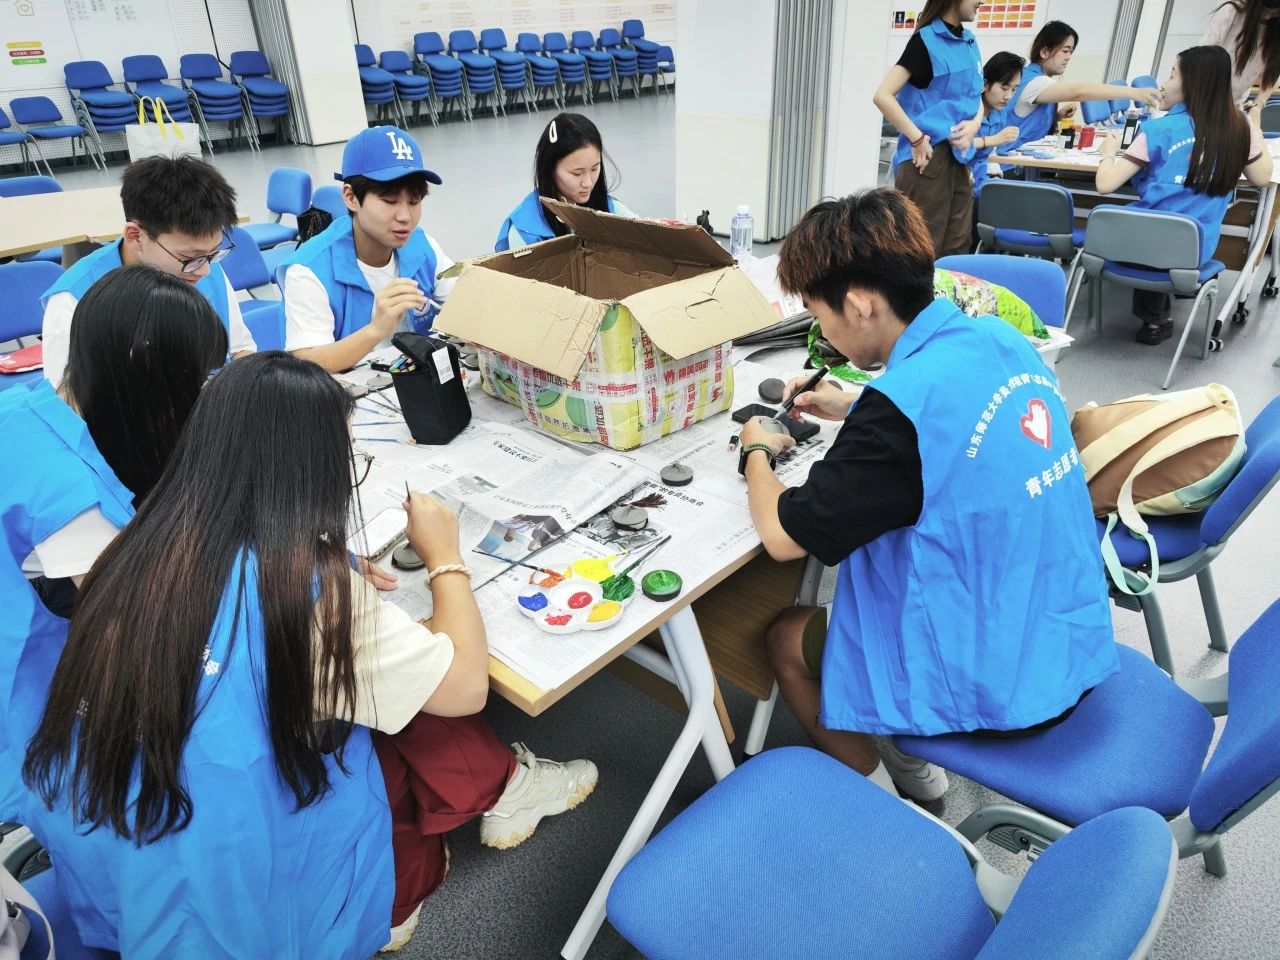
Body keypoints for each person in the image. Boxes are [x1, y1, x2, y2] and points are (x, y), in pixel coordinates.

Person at [18, 353, 598, 957]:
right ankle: (454, 832)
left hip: (116, 830)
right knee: (396, 714)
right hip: (233, 875)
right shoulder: (308, 596)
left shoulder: (137, 540)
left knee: (374, 702)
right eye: (348, 459)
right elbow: (464, 690)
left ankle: (448, 840)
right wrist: (444, 557)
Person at [736, 189, 1118, 800]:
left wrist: (756, 449)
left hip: (998, 681)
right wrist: (856, 403)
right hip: (1065, 633)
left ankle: (888, 805)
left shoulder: (895, 417)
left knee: (785, 638)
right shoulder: (1000, 339)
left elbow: (784, 537)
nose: (821, 332)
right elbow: (955, 416)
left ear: (859, 305)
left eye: (818, 314)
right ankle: (918, 775)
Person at [0, 266, 227, 821]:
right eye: (191, 380)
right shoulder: (70, 498)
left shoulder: (33, 404)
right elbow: (142, 628)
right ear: (143, 374)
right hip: (29, 679)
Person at [1095, 45, 1273, 344]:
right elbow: (1262, 177)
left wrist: (1108, 153)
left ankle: (1154, 320)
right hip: (1196, 250)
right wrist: (1253, 124)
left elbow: (1104, 185)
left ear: (1193, 83)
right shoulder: (1238, 128)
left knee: (1148, 220)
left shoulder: (1156, 129)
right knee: (1174, 229)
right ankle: (1183, 293)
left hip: (1138, 247)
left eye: (1172, 75)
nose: (1163, 84)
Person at [39, 156, 255, 387]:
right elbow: (65, 398)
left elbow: (240, 350)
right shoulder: (74, 300)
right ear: (135, 236)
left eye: (213, 253)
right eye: (189, 256)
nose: (204, 270)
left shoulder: (202, 267)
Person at [280, 125, 456, 373]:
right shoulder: (309, 270)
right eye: (390, 201)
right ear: (351, 197)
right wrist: (376, 330)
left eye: (414, 200)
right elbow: (307, 364)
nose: (405, 216)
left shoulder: (422, 245)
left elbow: (465, 302)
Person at [872, 0, 985, 257]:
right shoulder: (925, 41)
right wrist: (916, 138)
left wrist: (975, 124)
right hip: (927, 160)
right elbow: (882, 95)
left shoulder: (969, 42)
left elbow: (977, 95)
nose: (981, 1)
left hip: (961, 158)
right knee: (922, 250)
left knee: (959, 247)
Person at [1006, 21, 1161, 155]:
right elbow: (1078, 92)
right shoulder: (1034, 81)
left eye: (1071, 52)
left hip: (1026, 160)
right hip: (1013, 166)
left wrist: (1057, 117)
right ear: (1044, 52)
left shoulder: (1038, 79)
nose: (1068, 57)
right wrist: (1133, 92)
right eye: (1065, 51)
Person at [494, 112, 634, 252]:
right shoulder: (525, 233)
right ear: (550, 169)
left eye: (594, 169)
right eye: (577, 173)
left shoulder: (611, 209)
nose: (588, 183)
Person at [964, 51, 1024, 244]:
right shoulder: (968, 110)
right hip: (965, 185)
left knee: (1023, 203)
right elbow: (957, 145)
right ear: (985, 84)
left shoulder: (999, 113)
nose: (1008, 96)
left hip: (986, 182)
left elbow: (995, 152)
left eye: (1014, 89)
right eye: (1004, 88)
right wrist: (993, 140)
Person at [1203, 0, 1280, 104]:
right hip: (1203, 93)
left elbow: (1272, 74)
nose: (1267, 17)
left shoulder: (1275, 30)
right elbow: (1202, 58)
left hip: (1234, 102)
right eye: (1265, 11)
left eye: (1274, 13)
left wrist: (1258, 105)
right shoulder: (1231, 12)